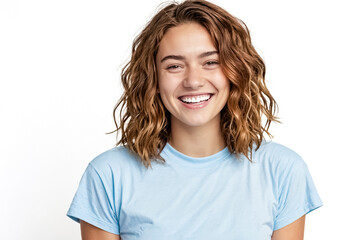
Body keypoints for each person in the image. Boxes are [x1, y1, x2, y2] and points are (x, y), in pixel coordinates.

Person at [67, 0, 323, 239]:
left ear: (235, 71)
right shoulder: (109, 175)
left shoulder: (282, 170)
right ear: (153, 79)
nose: (193, 81)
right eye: (174, 66)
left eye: (210, 62)